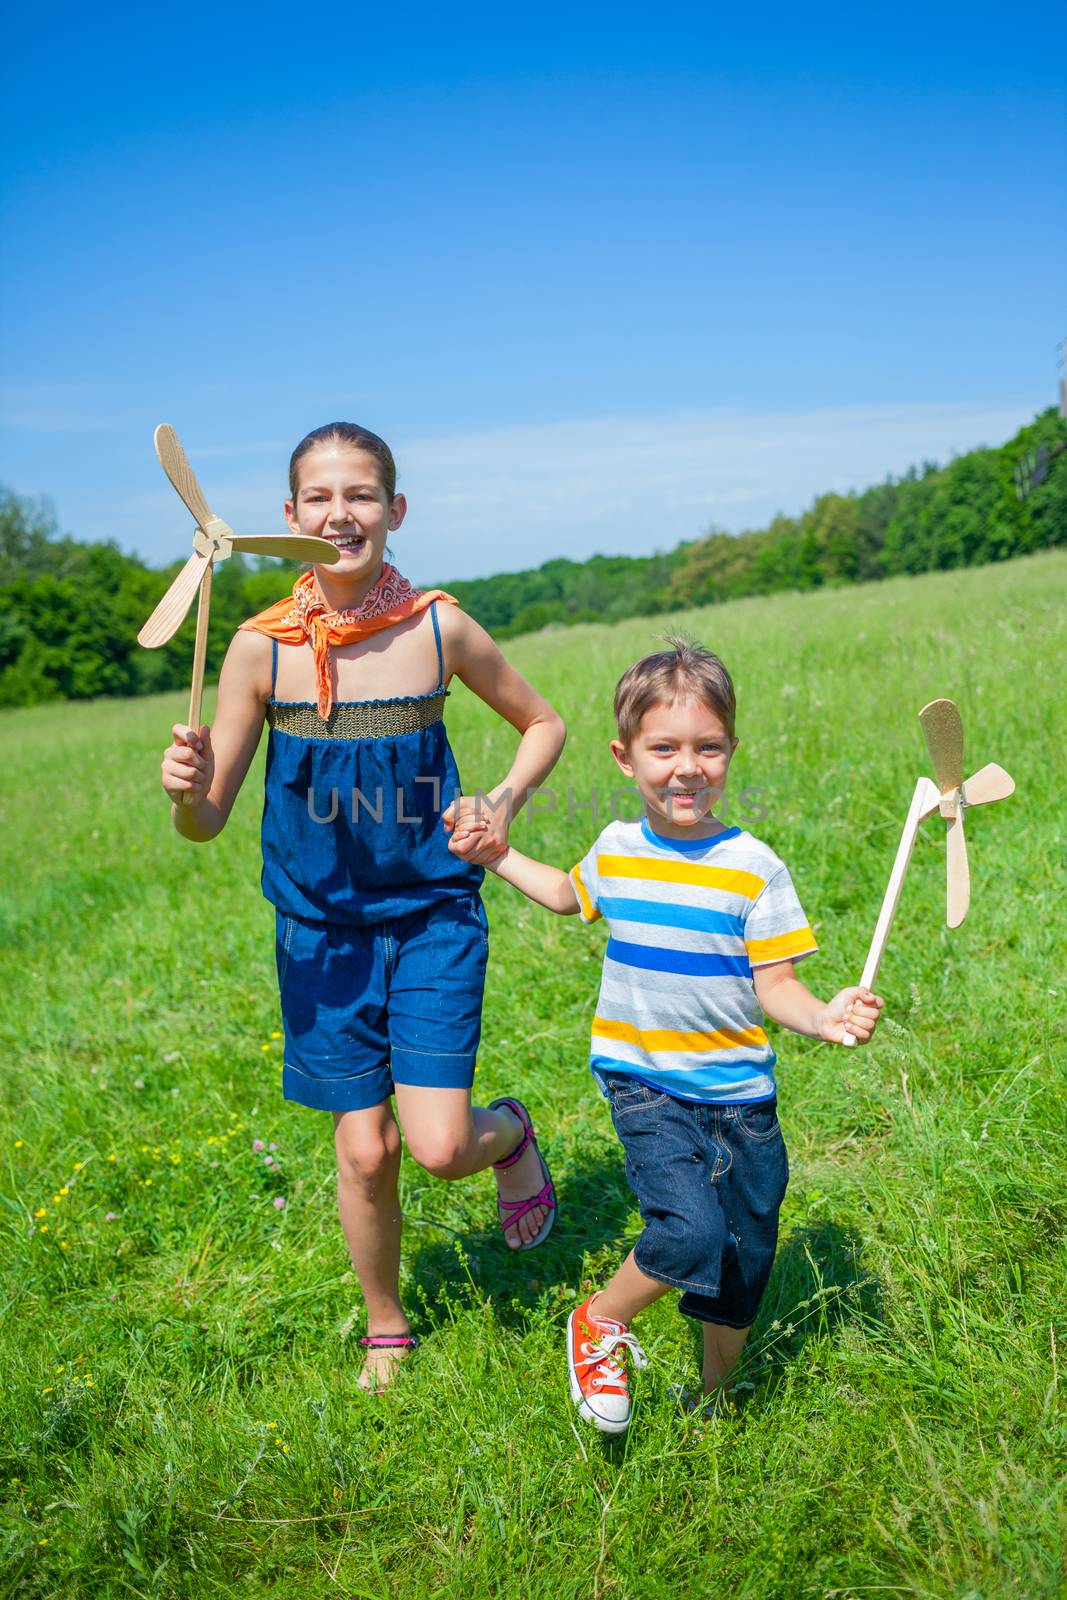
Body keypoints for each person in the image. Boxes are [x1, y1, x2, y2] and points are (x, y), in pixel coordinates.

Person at [160, 422, 566, 1392]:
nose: (341, 514)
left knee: (433, 1145)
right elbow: (207, 821)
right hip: (319, 937)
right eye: (321, 497)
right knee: (364, 1144)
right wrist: (185, 789)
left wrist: (498, 804)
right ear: (289, 517)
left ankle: (506, 1133)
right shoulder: (260, 650)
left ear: (395, 511)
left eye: (363, 495)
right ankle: (386, 1322)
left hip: (431, 915)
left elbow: (543, 722)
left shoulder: (438, 627)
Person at [453, 637, 882, 1431]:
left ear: (730, 751)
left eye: (707, 747)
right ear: (624, 757)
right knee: (688, 1231)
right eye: (664, 748)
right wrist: (500, 854)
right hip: (646, 1081)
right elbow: (562, 894)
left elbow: (777, 987)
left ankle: (717, 1402)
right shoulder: (617, 849)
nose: (687, 767)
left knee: (740, 1260)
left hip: (742, 1099)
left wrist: (823, 1017)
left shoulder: (754, 867)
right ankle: (601, 1321)